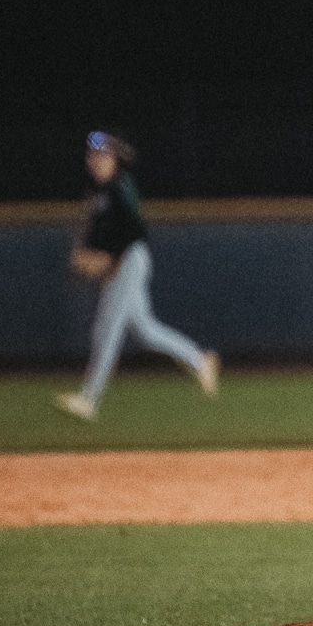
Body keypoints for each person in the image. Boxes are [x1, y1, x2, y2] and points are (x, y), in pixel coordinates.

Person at [54, 132, 218, 421]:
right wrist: (92, 255)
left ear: (114, 160)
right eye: (93, 156)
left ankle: (88, 399)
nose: (95, 161)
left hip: (129, 260)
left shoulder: (120, 186)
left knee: (108, 328)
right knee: (145, 330)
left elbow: (135, 229)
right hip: (119, 264)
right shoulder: (99, 193)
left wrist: (107, 258)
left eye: (102, 156)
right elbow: (97, 235)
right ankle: (199, 359)